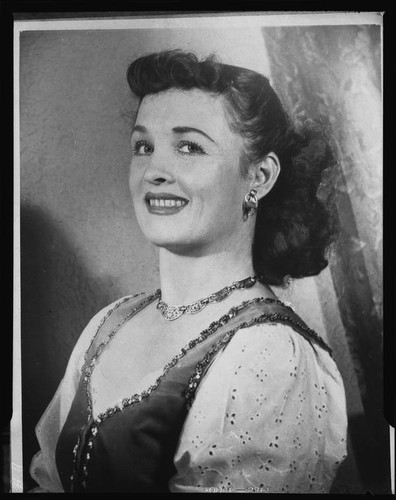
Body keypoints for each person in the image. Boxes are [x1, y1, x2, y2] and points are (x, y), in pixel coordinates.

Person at [29, 49, 347, 493]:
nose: (155, 170)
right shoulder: (110, 322)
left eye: (189, 146)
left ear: (260, 176)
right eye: (144, 146)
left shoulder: (271, 355)